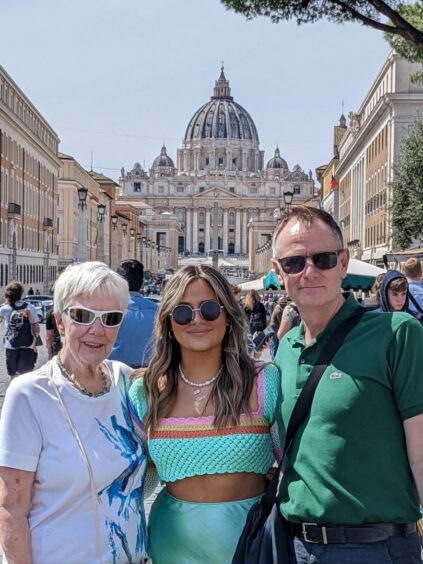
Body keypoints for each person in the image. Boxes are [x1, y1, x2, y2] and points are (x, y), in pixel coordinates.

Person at [271, 205, 423, 563]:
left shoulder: (397, 334)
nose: (309, 272)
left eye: (322, 259)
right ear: (278, 272)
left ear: (343, 262)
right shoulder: (285, 351)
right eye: (294, 263)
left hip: (375, 547)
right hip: (294, 547)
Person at [129, 265, 281, 563]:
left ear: (228, 316)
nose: (196, 319)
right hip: (170, 546)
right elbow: (135, 484)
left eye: (209, 309)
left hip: (251, 545)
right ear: (168, 322)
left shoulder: (265, 381)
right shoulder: (144, 393)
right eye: (183, 312)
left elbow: (292, 470)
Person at [0, 262, 148, 563]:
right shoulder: (30, 394)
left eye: (110, 318)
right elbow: (11, 508)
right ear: (60, 320)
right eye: (82, 316)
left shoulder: (125, 381)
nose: (97, 329)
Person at [109, 259, 157, 368]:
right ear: (141, 284)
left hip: (114, 374)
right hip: (150, 374)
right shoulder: (158, 312)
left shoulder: (109, 311)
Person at [0, 281, 40, 378]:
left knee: (13, 376)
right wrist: (35, 344)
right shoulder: (30, 307)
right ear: (21, 293)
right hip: (28, 345)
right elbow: (37, 328)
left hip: (11, 346)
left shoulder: (4, 309)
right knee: (25, 377)